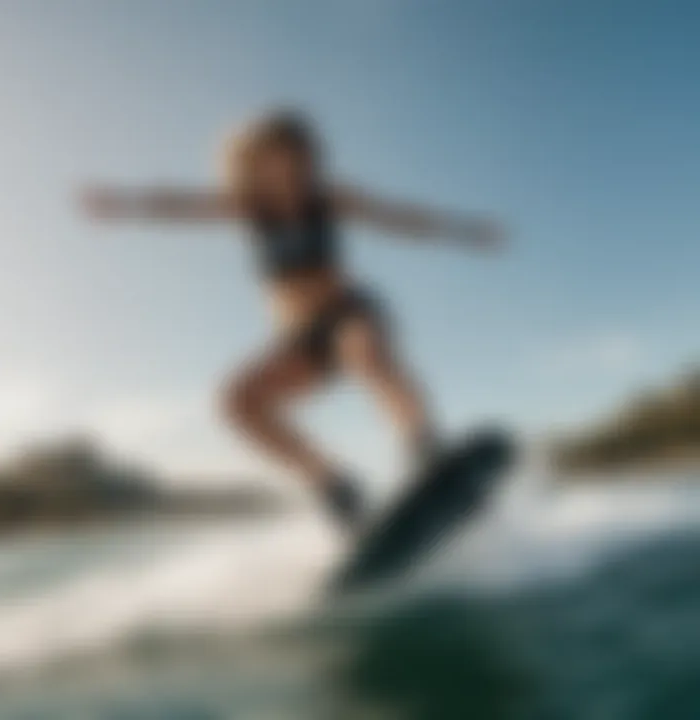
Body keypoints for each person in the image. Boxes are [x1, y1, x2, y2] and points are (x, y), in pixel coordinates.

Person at [82, 109, 504, 529]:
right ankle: (335, 485)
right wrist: (125, 203)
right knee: (238, 403)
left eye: (294, 159)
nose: (286, 172)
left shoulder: (330, 200)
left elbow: (400, 218)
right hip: (301, 341)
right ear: (251, 166)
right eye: (272, 161)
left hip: (348, 312)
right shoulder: (250, 208)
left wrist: (463, 230)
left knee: (365, 352)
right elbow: (182, 206)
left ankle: (424, 448)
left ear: (307, 160)